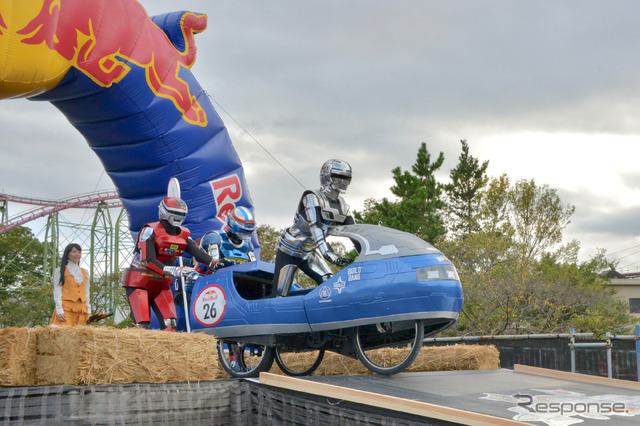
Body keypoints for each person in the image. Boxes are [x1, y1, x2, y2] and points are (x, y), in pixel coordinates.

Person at [122, 196, 218, 331]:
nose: (178, 217)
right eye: (175, 213)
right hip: (140, 281)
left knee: (170, 324)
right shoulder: (149, 230)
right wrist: (175, 270)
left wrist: (215, 263)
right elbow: (148, 260)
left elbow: (199, 254)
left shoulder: (184, 235)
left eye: (181, 214)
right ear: (164, 212)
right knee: (141, 324)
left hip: (162, 283)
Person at [273, 159, 355, 297]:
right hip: (290, 250)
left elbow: (354, 232)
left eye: (346, 178)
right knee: (280, 295)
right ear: (326, 175)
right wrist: (327, 252)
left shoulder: (343, 205)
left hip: (310, 251)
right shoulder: (312, 197)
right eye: (338, 176)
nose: (342, 181)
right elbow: (314, 226)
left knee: (328, 283)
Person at [195, 206, 257, 275]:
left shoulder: (247, 244)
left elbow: (253, 267)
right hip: (203, 278)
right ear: (232, 223)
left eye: (248, 231)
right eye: (243, 230)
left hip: (234, 280)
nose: (245, 234)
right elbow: (214, 265)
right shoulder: (215, 237)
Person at [49, 243, 91, 327]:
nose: (77, 254)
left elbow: (86, 293)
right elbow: (57, 290)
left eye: (79, 252)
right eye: (74, 252)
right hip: (66, 308)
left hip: (81, 309)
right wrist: (59, 310)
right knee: (63, 334)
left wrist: (89, 311)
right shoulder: (60, 271)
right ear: (67, 254)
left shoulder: (84, 272)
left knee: (80, 336)